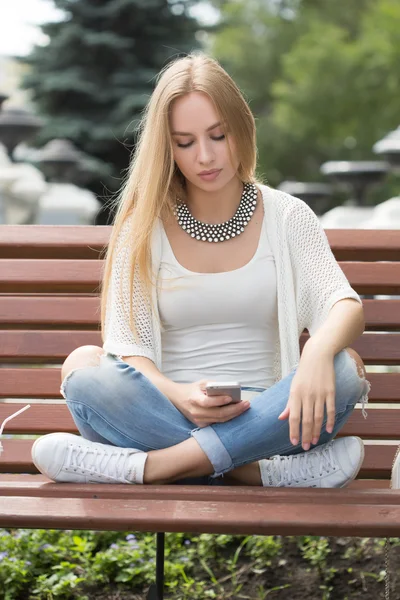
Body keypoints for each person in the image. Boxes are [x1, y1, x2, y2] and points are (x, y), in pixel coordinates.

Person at [32, 53, 371, 488]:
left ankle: (152, 468)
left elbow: (343, 305)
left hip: (271, 416)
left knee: (345, 369)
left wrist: (318, 354)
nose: (206, 157)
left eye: (218, 135)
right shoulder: (142, 227)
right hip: (167, 411)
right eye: (185, 142)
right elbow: (127, 347)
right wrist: (179, 396)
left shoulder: (287, 216)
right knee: (84, 367)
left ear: (241, 128)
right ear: (167, 147)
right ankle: (256, 472)